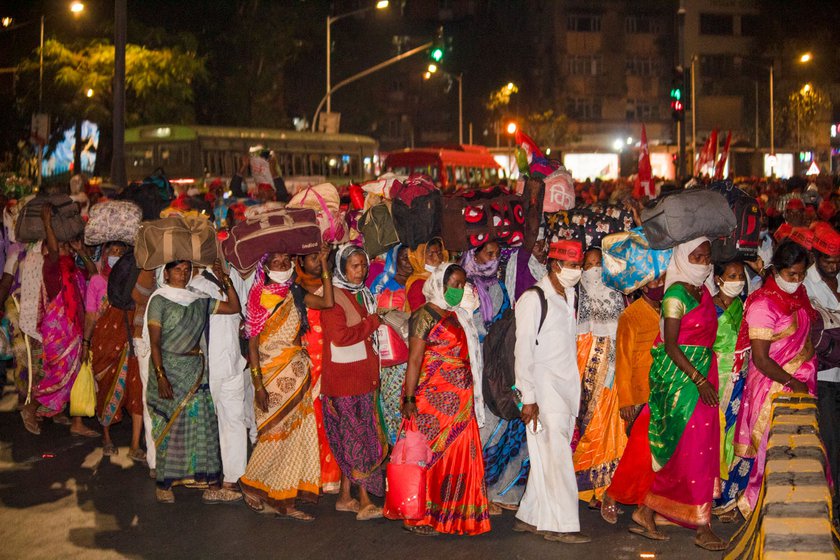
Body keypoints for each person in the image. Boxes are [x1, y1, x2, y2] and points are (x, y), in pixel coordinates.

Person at [635, 237, 725, 552]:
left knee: (697, 449)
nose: (702, 262)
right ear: (682, 258)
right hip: (682, 379)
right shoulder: (675, 295)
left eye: (706, 256)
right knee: (687, 447)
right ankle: (701, 526)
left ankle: (648, 508)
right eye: (696, 256)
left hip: (703, 374)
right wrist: (698, 379)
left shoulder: (703, 292)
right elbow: (671, 345)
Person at [239, 249, 333, 520]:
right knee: (274, 433)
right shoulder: (257, 299)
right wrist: (258, 385)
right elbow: (253, 346)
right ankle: (250, 482)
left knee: (296, 435)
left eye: (285, 261)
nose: (280, 266)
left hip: (298, 373)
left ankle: (284, 498)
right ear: (265, 267)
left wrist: (325, 263)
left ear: (292, 264)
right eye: (274, 262)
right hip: (269, 376)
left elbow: (327, 302)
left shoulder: (297, 293)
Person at [400, 263, 491, 536]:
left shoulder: (456, 315)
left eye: (462, 285)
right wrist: (409, 398)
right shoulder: (423, 316)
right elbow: (415, 360)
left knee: (460, 455)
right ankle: (422, 515)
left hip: (461, 403)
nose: (458, 289)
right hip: (432, 398)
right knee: (430, 456)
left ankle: (454, 514)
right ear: (440, 283)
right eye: (454, 284)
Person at [144, 260, 241, 503]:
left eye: (187, 270)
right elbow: (155, 342)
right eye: (178, 270)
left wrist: (224, 279)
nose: (183, 274)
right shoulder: (159, 300)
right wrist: (161, 375)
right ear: (166, 273)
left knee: (203, 425)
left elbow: (234, 307)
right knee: (170, 428)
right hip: (169, 370)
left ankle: (210, 484)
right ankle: (164, 485)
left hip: (195, 370)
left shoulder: (197, 298)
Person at [513, 240, 591, 544]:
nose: (578, 272)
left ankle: (530, 515)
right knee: (557, 455)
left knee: (549, 453)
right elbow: (523, 351)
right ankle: (561, 525)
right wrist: (528, 398)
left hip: (564, 387)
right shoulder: (534, 298)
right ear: (555, 265)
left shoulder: (568, 295)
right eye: (573, 266)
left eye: (579, 266)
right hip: (543, 390)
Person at [734, 240, 816, 516]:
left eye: (801, 274)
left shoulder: (798, 294)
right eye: (792, 274)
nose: (797, 280)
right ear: (777, 270)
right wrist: (793, 383)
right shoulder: (763, 304)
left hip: (799, 384)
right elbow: (761, 358)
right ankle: (764, 510)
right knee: (773, 450)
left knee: (799, 450)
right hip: (774, 388)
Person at [20, 204, 99, 437]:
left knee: (74, 374)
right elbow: (54, 250)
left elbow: (94, 275)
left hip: (74, 331)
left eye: (67, 246)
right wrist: (47, 223)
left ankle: (75, 421)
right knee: (57, 375)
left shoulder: (74, 269)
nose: (66, 249)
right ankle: (31, 407)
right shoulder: (51, 266)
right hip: (58, 332)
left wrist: (81, 250)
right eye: (63, 245)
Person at [320, 244, 385, 521]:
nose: (360, 271)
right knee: (357, 439)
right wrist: (373, 322)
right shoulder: (333, 297)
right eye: (354, 266)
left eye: (363, 265)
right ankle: (365, 500)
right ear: (342, 267)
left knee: (356, 437)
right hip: (345, 381)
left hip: (361, 376)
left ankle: (345, 497)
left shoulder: (361, 294)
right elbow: (340, 337)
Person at [601, 274, 665, 524]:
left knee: (654, 455)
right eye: (653, 283)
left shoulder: (669, 309)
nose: (658, 287)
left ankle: (645, 503)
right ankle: (613, 494)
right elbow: (623, 360)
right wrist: (626, 401)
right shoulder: (631, 315)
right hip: (640, 393)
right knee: (640, 454)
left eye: (662, 282)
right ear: (641, 286)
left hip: (663, 390)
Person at [573, 247, 627, 507]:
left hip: (613, 378)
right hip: (583, 379)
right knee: (588, 428)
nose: (593, 270)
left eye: (598, 264)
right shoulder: (575, 299)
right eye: (588, 264)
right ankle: (585, 487)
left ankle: (606, 486)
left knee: (610, 427)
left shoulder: (618, 297)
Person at [88, 242, 145, 460]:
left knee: (137, 386)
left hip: (133, 329)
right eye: (113, 252)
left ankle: (134, 444)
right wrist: (86, 341)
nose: (116, 256)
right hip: (110, 333)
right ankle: (107, 437)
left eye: (121, 252)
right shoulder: (99, 280)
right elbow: (92, 315)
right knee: (106, 383)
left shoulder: (136, 271)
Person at [296, 251, 342, 494]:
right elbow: (326, 304)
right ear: (300, 261)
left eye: (320, 257)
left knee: (329, 419)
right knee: (310, 421)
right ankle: (309, 476)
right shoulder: (296, 289)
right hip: (306, 364)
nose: (316, 261)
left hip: (330, 360)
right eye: (312, 257)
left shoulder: (332, 287)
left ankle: (330, 477)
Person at [803, 227, 840, 522]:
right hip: (824, 377)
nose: (834, 265)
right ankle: (833, 507)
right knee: (829, 442)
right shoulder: (805, 283)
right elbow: (817, 333)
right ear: (815, 255)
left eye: (838, 259)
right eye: (828, 260)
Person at [709, 260, 750, 521]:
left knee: (735, 435)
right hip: (716, 380)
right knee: (716, 434)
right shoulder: (707, 307)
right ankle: (710, 495)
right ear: (718, 278)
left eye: (741, 276)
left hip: (741, 380)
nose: (737, 280)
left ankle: (729, 497)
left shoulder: (742, 306)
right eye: (731, 275)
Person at [370, 244, 412, 444]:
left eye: (411, 256)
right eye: (403, 257)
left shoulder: (417, 283)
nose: (408, 261)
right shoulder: (381, 282)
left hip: (407, 355)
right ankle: (395, 450)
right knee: (386, 402)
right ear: (394, 258)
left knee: (402, 402)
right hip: (383, 354)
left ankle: (405, 450)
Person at [405, 238, 448, 312]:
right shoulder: (418, 285)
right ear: (419, 258)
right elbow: (420, 318)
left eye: (439, 253)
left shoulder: (444, 276)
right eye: (430, 254)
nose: (437, 259)